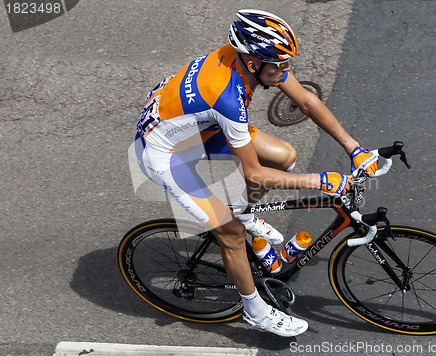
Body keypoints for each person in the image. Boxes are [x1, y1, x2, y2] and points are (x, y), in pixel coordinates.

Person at [134, 9, 378, 337]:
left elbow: (305, 101)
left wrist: (354, 149)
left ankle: (243, 210)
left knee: (284, 155)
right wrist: (322, 181)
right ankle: (255, 310)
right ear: (254, 65)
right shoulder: (228, 99)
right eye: (279, 65)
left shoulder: (249, 59)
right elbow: (255, 175)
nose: (285, 72)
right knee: (231, 234)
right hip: (164, 153)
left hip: (190, 124)